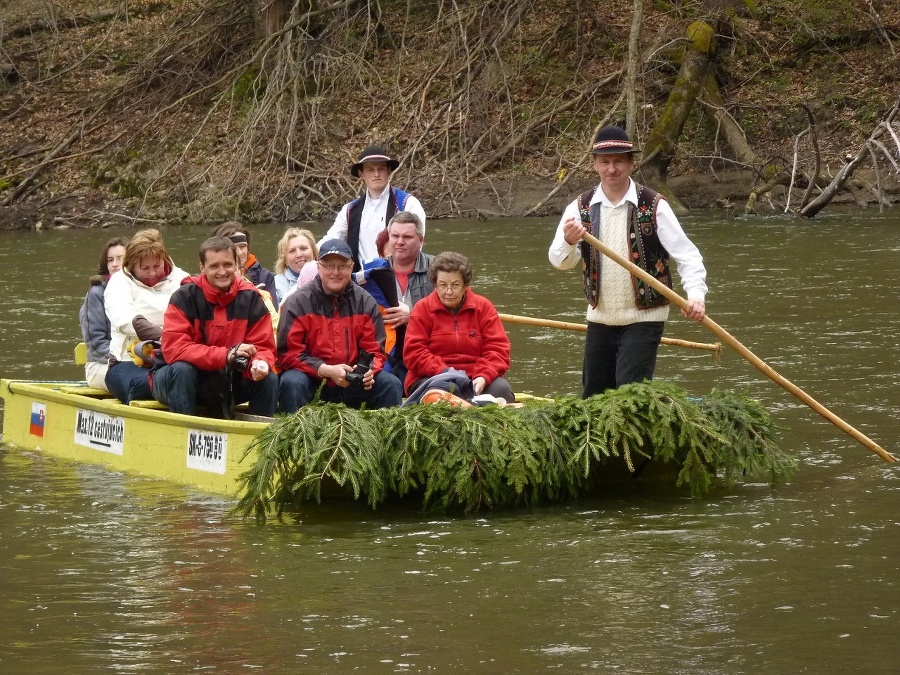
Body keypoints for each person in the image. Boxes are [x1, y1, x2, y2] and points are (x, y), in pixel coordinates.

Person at [548, 125, 707, 397]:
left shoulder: (654, 205)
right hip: (600, 317)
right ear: (595, 165)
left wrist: (696, 294)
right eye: (605, 162)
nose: (612, 169)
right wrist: (570, 241)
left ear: (631, 163)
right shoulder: (580, 207)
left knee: (628, 394)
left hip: (644, 317)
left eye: (619, 161)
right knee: (594, 395)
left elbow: (687, 255)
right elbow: (559, 261)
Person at [151, 237, 278, 417]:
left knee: (269, 378)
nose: (222, 272)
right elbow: (175, 350)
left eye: (227, 265)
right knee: (183, 369)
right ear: (202, 268)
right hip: (177, 379)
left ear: (236, 265)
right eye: (214, 266)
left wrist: (259, 363)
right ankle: (182, 436)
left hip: (227, 381)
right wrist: (227, 355)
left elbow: (264, 346)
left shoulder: (251, 299)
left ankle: (261, 441)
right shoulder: (183, 297)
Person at [277, 238, 403, 413]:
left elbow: (374, 350)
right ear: (318, 267)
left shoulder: (365, 302)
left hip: (353, 380)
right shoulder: (297, 303)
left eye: (342, 266)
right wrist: (325, 370)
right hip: (313, 379)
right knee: (291, 381)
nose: (335, 272)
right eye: (329, 266)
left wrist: (367, 371)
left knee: (390, 383)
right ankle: (295, 435)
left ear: (351, 267)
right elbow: (288, 354)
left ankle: (387, 436)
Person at [403, 251, 514, 404]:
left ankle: (469, 405)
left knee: (502, 390)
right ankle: (471, 405)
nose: (449, 291)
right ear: (434, 284)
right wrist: (445, 372)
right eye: (443, 285)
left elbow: (498, 349)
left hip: (475, 378)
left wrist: (483, 376)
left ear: (465, 285)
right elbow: (414, 353)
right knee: (437, 396)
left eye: (455, 285)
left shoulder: (484, 307)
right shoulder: (422, 309)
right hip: (434, 377)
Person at [104, 229, 189, 403]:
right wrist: (165, 336)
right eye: (145, 268)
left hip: (174, 358)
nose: (152, 273)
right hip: (128, 363)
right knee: (145, 386)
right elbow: (125, 320)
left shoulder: (182, 280)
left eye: (157, 266)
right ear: (132, 265)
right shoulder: (119, 282)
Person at [318, 145, 427, 270]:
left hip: (400, 277)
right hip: (362, 282)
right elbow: (331, 240)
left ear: (389, 171)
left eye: (381, 169)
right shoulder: (349, 210)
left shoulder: (408, 204)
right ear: (361, 174)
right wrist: (306, 252)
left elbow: (417, 245)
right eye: (370, 170)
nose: (376, 174)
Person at [79, 236, 129, 391]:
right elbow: (96, 343)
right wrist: (124, 360)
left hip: (134, 360)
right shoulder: (97, 294)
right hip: (100, 365)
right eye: (110, 260)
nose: (114, 264)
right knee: (132, 378)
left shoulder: (140, 290)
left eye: (120, 259)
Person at [212, 221, 277, 303]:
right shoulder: (210, 276)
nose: (239, 253)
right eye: (233, 248)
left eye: (242, 247)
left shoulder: (265, 277)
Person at [273, 228, 318, 306]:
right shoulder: (275, 285)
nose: (299, 255)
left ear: (314, 253)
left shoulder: (327, 277)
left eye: (303, 248)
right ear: (285, 260)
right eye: (292, 251)